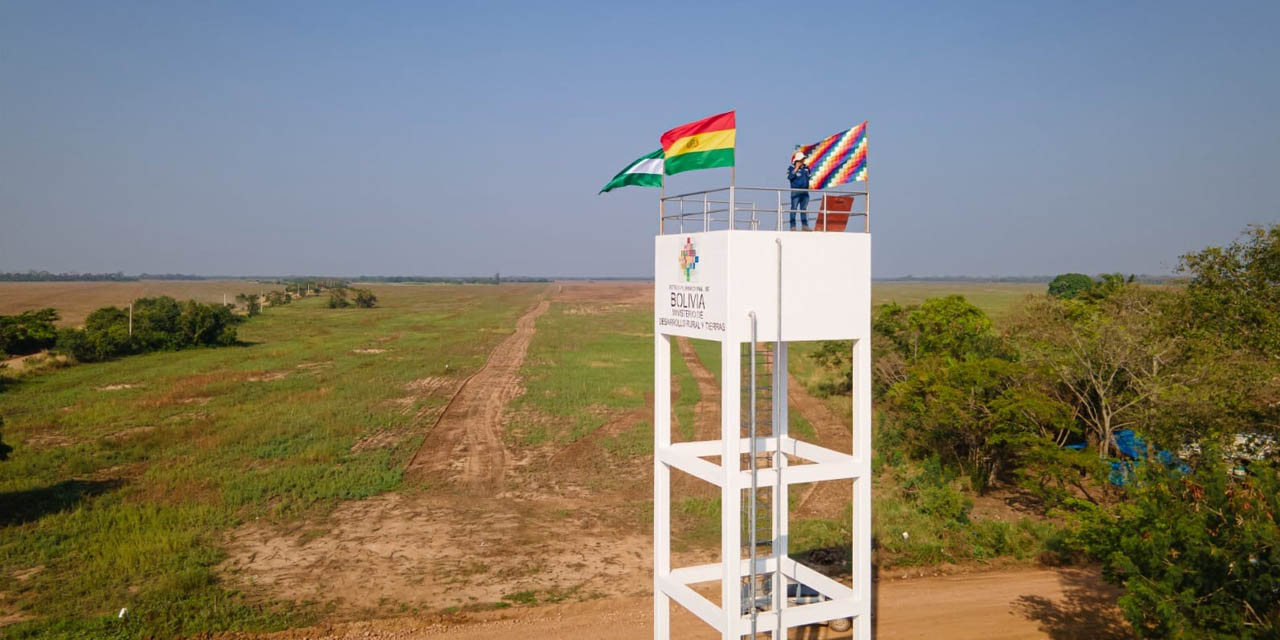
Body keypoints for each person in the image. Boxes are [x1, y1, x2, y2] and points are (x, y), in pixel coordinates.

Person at [786, 150, 812, 231]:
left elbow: (809, 177)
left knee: (803, 209)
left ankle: (805, 226)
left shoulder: (806, 168)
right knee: (794, 209)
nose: (803, 161)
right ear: (797, 161)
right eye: (801, 160)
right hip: (795, 192)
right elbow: (790, 177)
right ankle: (792, 226)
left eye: (803, 160)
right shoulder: (791, 168)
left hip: (805, 192)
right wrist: (796, 168)